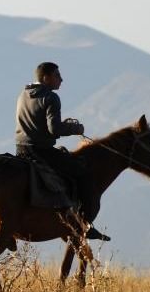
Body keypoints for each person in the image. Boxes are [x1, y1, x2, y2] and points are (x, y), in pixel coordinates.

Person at [15, 61, 106, 240]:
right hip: (42, 151)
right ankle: (84, 223)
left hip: (21, 150)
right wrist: (76, 129)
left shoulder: (23, 95)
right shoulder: (50, 98)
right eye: (57, 75)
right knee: (82, 173)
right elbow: (54, 129)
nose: (61, 79)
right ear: (46, 78)